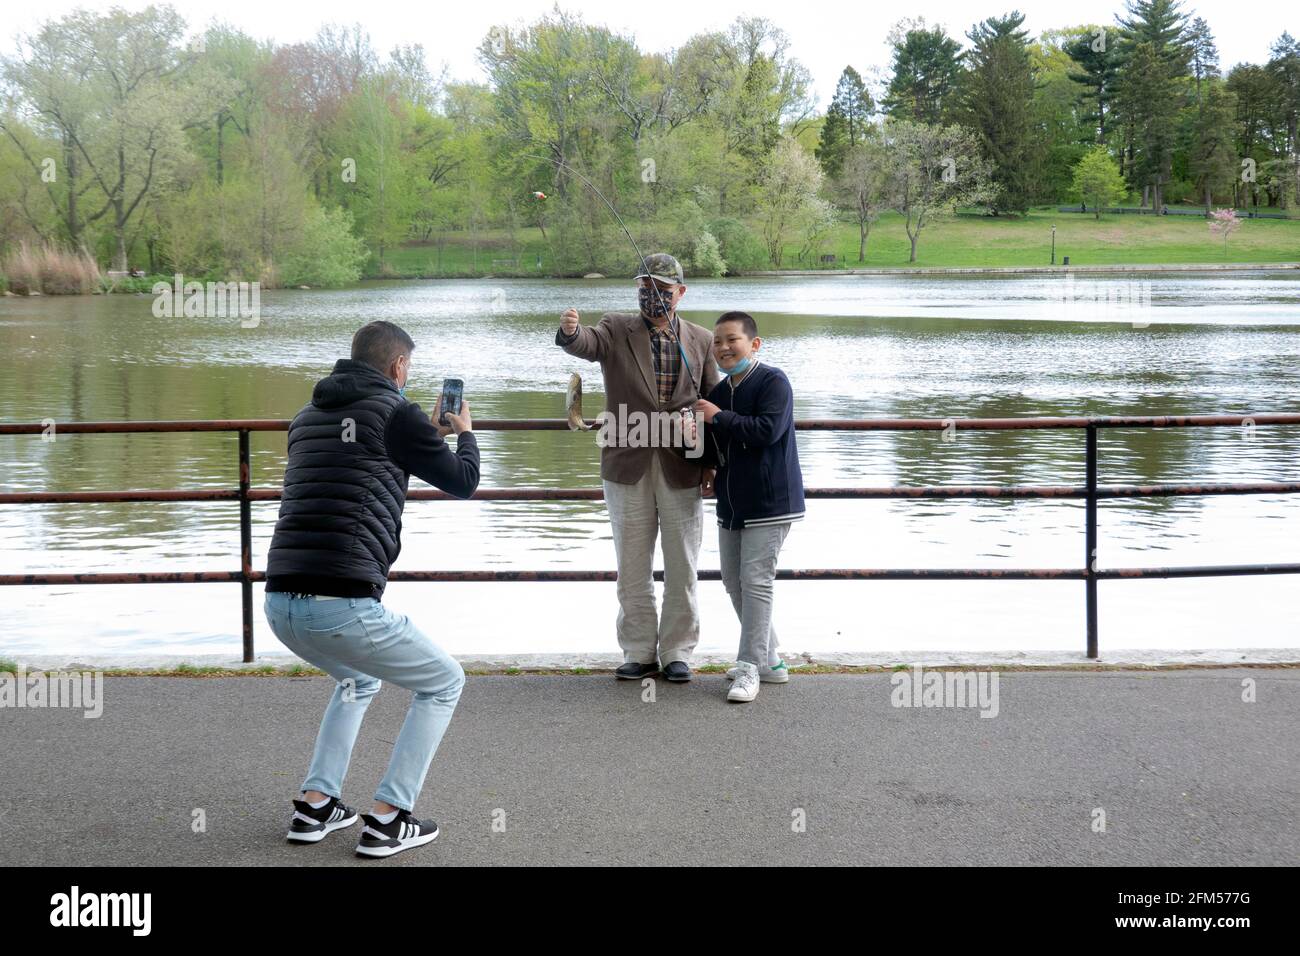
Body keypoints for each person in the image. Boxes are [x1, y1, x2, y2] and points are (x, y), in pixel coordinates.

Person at [263, 320, 479, 858]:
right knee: (444, 682)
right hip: (340, 604)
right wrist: (465, 432)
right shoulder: (397, 414)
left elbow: (361, 470)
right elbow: (463, 481)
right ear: (398, 368)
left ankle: (315, 806)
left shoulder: (307, 415)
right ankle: (389, 819)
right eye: (409, 369)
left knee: (357, 681)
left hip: (279, 602)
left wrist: (423, 435)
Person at [556, 253, 719, 681]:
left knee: (682, 564)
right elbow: (585, 344)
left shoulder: (701, 340)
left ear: (680, 293)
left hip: (683, 464)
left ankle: (678, 651)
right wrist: (570, 332)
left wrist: (712, 462)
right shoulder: (614, 328)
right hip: (625, 462)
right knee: (632, 564)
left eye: (662, 290)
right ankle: (639, 650)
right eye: (645, 288)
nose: (653, 297)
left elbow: (714, 406)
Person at [687, 311, 804, 702]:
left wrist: (720, 417)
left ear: (754, 344)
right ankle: (770, 661)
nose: (723, 347)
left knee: (756, 582)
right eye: (717, 341)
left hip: (771, 502)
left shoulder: (773, 381)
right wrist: (705, 459)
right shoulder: (718, 393)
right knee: (733, 581)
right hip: (731, 502)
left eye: (732, 340)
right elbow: (713, 439)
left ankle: (749, 667)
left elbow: (767, 431)